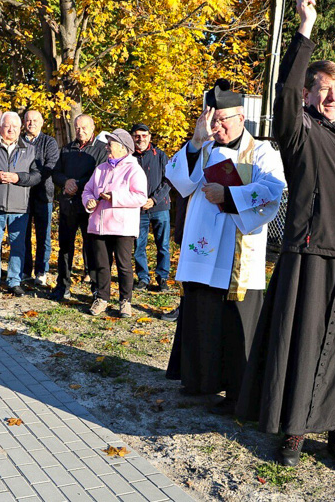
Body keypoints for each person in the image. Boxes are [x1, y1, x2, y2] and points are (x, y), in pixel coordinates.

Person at [235, 0, 335, 474]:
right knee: (301, 344)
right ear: (308, 93)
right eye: (322, 88)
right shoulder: (299, 130)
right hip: (311, 253)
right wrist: (305, 28)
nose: (331, 96)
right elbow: (281, 93)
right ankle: (294, 429)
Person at [163, 84, 285, 417]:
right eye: (211, 121)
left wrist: (229, 197)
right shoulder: (203, 148)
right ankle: (199, 381)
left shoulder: (261, 152)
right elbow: (178, 179)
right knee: (202, 313)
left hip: (236, 255)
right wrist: (196, 139)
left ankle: (237, 393)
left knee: (235, 322)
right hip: (201, 252)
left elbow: (274, 189)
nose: (217, 128)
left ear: (241, 117)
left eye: (222, 121)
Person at [81, 129, 147, 317]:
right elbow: (87, 190)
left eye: (110, 144)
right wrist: (89, 201)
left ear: (122, 147)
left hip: (122, 227)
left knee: (124, 265)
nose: (107, 147)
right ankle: (102, 298)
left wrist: (114, 197)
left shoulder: (134, 169)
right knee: (102, 265)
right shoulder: (101, 168)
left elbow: (141, 197)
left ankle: (125, 301)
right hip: (99, 226)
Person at [0, 111, 41, 296]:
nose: (11, 129)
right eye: (7, 126)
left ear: (20, 128)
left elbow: (37, 175)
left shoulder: (29, 149)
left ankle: (14, 281)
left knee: (18, 246)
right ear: (0, 127)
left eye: (15, 126)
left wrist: (18, 178)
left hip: (19, 206)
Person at [51, 114, 108, 301]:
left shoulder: (100, 150)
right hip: (68, 205)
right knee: (65, 248)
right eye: (77, 128)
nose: (80, 131)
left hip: (89, 206)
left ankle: (95, 287)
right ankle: (63, 285)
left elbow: (99, 175)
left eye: (84, 128)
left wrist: (77, 183)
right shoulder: (67, 149)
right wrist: (65, 182)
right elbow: (56, 172)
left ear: (93, 128)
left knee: (91, 248)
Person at [130, 123, 172, 292]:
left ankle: (162, 278)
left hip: (160, 207)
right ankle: (143, 278)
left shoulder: (160, 155)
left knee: (163, 245)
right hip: (138, 209)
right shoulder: (129, 157)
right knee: (139, 245)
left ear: (150, 137)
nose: (140, 139)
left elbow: (169, 180)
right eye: (137, 136)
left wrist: (154, 199)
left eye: (144, 135)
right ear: (132, 137)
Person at [22, 109, 59, 286]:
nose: (31, 123)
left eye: (35, 120)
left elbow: (50, 165)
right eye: (28, 120)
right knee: (23, 235)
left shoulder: (49, 142)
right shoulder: (19, 141)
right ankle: (25, 270)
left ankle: (41, 271)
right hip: (22, 196)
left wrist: (29, 178)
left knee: (43, 236)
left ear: (42, 122)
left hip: (44, 194)